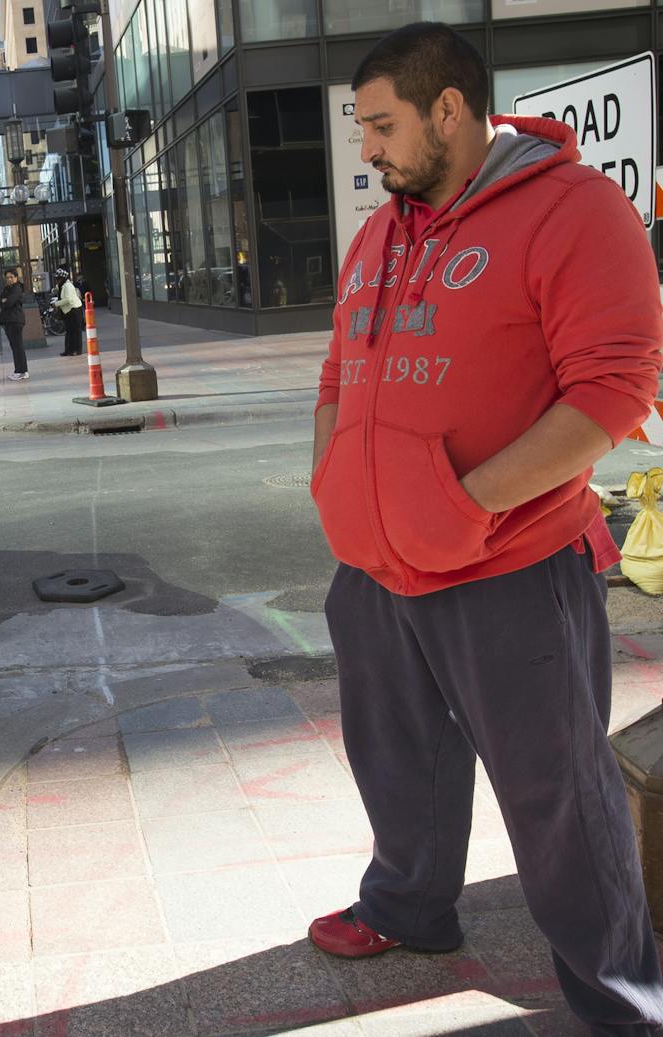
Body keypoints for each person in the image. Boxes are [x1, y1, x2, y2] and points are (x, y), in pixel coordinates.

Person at [309, 22, 663, 1033]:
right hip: (373, 563)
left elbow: (610, 393)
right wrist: (334, 475)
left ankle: (622, 1000)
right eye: (358, 127)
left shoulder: (571, 210)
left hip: (505, 562)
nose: (366, 148)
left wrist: (461, 504)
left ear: (449, 111)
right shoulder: (383, 229)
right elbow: (340, 368)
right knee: (394, 755)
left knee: (559, 797)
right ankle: (408, 902)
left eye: (381, 125)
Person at [0, 269, 27, 381]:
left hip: (15, 320)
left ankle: (20, 371)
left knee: (17, 347)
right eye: (8, 277)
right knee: (16, 347)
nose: (9, 279)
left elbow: (9, 302)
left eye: (11, 277)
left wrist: (4, 301)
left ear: (16, 277)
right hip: (9, 321)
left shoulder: (17, 288)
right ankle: (22, 370)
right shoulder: (7, 289)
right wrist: (2, 301)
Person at [53, 268, 83, 356]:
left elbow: (68, 299)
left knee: (76, 331)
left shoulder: (68, 286)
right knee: (69, 331)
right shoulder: (62, 285)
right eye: (56, 279)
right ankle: (68, 350)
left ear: (63, 278)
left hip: (74, 310)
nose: (57, 280)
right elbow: (57, 290)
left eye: (58, 279)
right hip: (68, 311)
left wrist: (56, 304)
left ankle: (77, 350)